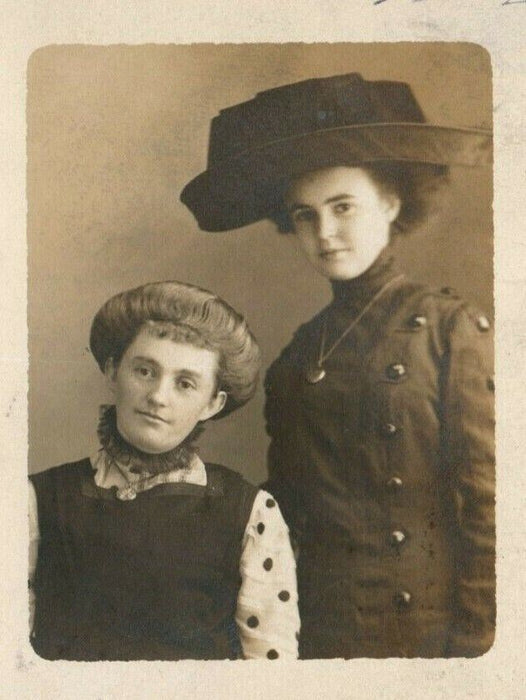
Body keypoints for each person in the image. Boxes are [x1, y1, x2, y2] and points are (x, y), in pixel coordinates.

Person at [180, 73, 495, 658]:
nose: (325, 233)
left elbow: (493, 509)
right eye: (305, 215)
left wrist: (477, 651)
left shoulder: (450, 330)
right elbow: (286, 515)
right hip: (321, 631)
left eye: (343, 207)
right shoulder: (298, 357)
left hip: (432, 637)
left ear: (392, 202)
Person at [29, 280, 299, 661]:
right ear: (112, 372)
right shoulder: (37, 500)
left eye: (185, 383)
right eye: (144, 371)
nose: (158, 396)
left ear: (212, 403)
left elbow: (272, 667)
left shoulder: (250, 512)